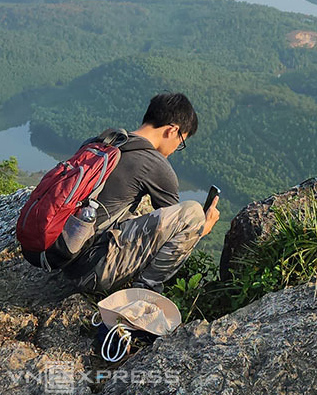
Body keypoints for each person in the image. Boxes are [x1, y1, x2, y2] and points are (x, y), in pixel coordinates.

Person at [62, 93, 220, 295]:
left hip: (66, 256)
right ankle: (145, 292)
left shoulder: (102, 141)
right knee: (193, 214)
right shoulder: (155, 164)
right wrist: (203, 228)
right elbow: (176, 232)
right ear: (172, 130)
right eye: (181, 142)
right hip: (93, 271)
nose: (175, 149)